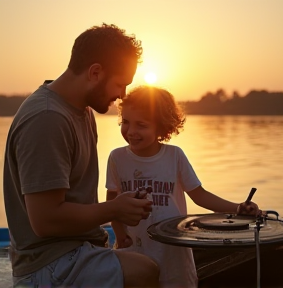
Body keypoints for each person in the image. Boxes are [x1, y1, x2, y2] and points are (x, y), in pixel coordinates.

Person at [3, 24, 160, 288]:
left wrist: (119, 207)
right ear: (95, 72)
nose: (122, 96)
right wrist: (115, 209)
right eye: (120, 84)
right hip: (46, 264)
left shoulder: (82, 111)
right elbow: (45, 221)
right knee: (145, 271)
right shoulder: (48, 119)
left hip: (77, 247)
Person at [105, 85, 260, 288]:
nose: (131, 131)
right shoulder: (117, 158)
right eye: (125, 122)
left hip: (173, 252)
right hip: (134, 248)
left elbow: (200, 196)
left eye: (141, 125)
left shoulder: (174, 156)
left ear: (160, 127)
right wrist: (120, 232)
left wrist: (238, 208)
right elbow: (112, 202)